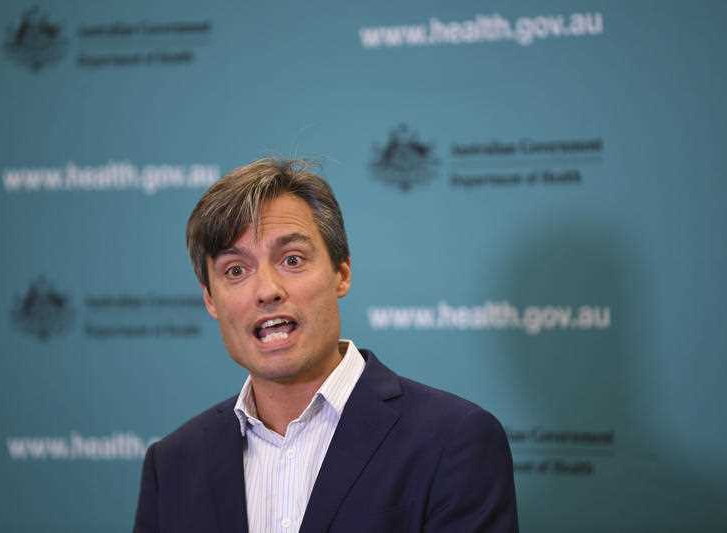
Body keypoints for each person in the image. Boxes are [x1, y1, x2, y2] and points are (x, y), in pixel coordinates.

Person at [133, 158, 518, 533]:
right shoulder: (172, 466)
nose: (267, 290)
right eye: (235, 270)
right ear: (211, 300)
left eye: (292, 259)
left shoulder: (454, 440)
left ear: (341, 273)